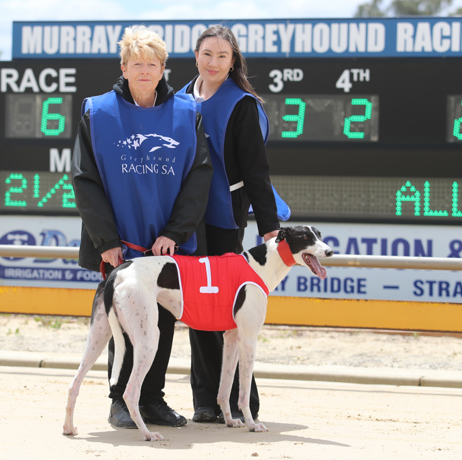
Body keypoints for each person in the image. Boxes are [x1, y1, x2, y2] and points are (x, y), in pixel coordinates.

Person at [72, 25, 212, 430]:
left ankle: (152, 399)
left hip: (167, 240)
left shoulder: (188, 112)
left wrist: (175, 232)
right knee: (123, 321)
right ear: (124, 67)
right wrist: (106, 241)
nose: (145, 71)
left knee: (162, 320)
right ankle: (120, 402)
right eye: (137, 64)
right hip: (118, 241)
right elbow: (85, 180)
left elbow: (199, 177)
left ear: (164, 68)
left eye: (152, 64)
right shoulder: (96, 112)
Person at [180, 25, 282, 424]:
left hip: (223, 220)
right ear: (196, 56)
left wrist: (269, 226)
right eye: (208, 54)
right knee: (197, 309)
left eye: (223, 56)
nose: (214, 62)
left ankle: (244, 403)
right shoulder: (180, 99)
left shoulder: (243, 104)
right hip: (184, 220)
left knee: (225, 314)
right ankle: (205, 402)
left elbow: (257, 171)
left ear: (233, 60)